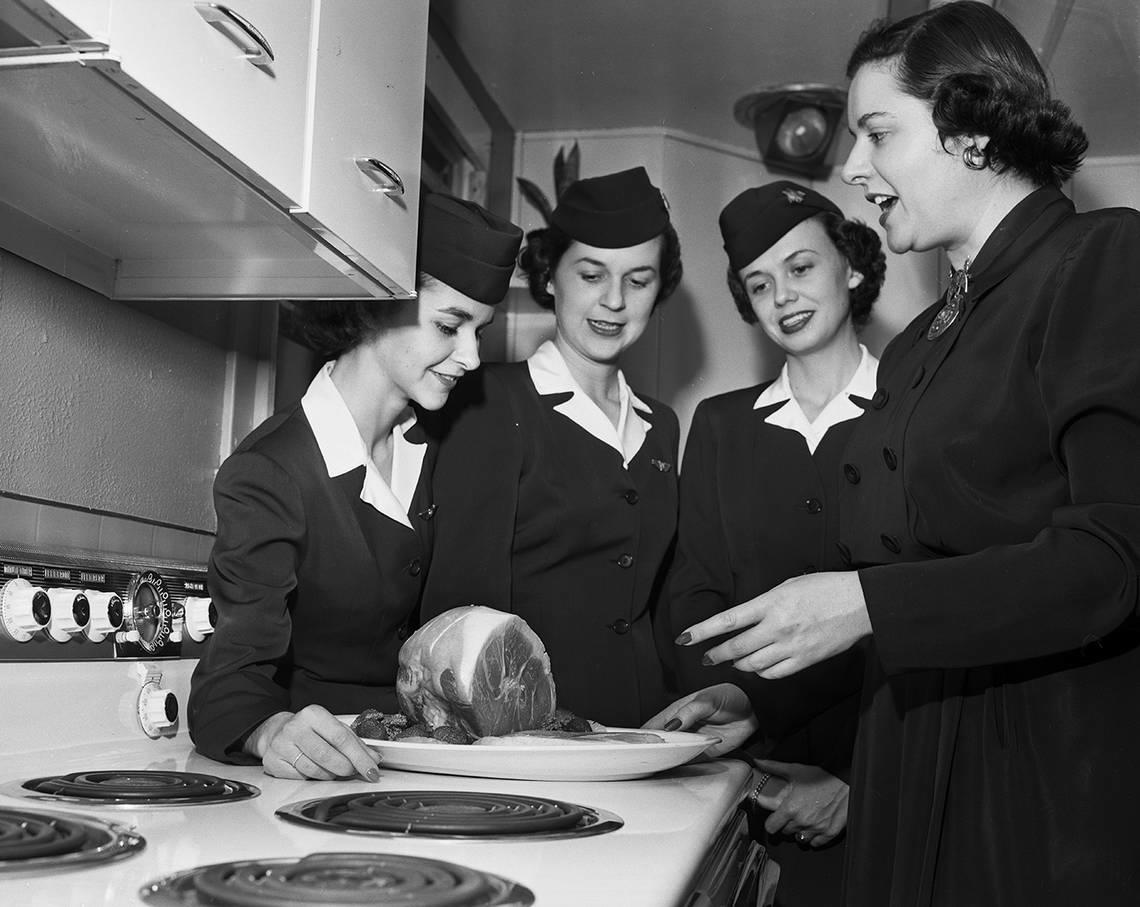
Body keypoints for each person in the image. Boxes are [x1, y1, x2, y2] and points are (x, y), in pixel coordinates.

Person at [654, 2, 1140, 904]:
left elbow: (1115, 560)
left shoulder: (1103, 261)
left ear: (976, 132)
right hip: (909, 766)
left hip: (1036, 787)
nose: (852, 167)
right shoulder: (922, 343)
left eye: (879, 132)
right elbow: (910, 581)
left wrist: (868, 601)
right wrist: (764, 703)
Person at [188, 193, 523, 780]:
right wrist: (269, 729)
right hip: (321, 780)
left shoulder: (453, 442)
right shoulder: (272, 470)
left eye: (481, 332)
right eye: (450, 325)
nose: (471, 356)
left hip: (434, 771)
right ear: (378, 303)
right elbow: (228, 679)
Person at [667, 181, 884, 906]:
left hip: (883, 786)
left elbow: (929, 611)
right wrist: (732, 694)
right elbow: (695, 589)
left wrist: (857, 780)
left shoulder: (914, 414)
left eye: (801, 267)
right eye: (759, 283)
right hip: (749, 784)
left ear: (851, 267)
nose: (782, 295)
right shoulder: (721, 424)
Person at [420, 166, 684, 728]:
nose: (613, 300)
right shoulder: (487, 401)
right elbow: (460, 607)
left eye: (638, 281)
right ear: (551, 276)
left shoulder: (661, 425)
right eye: (591, 274)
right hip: (526, 734)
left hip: (644, 732)